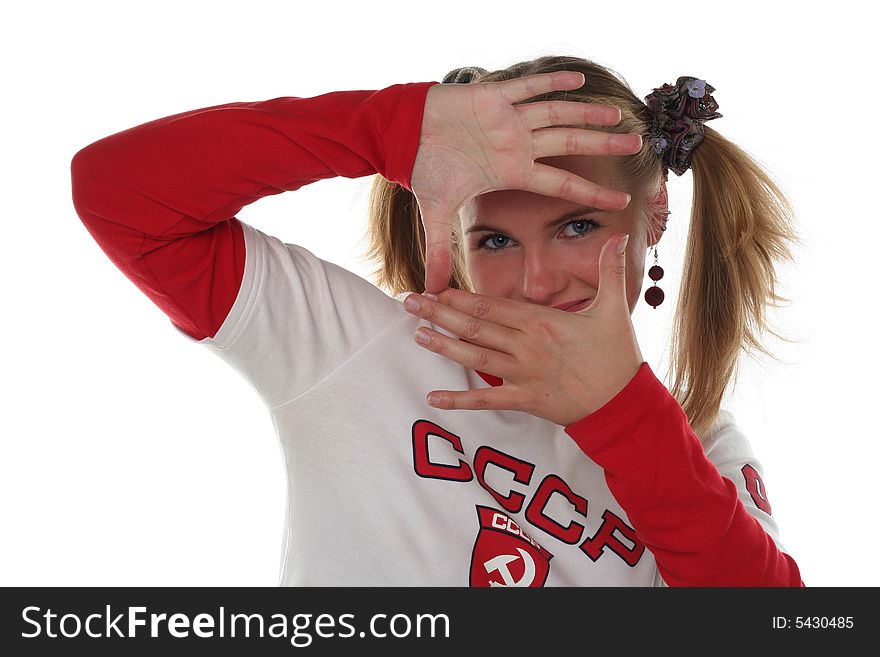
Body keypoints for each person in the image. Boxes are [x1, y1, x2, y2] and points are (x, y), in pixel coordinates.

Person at [70, 55, 803, 587]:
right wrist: (388, 127)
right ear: (455, 239)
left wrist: (624, 415)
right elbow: (120, 195)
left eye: (577, 226)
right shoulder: (357, 348)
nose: (538, 282)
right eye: (495, 241)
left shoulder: (703, 446)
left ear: (655, 215)